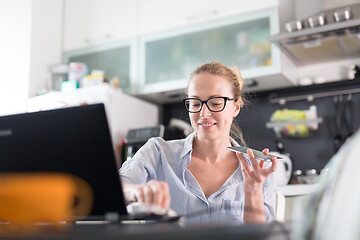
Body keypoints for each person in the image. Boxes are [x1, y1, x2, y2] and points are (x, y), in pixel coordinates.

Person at [119, 61, 278, 223]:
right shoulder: (157, 153)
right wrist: (135, 192)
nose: (204, 113)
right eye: (195, 103)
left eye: (215, 103)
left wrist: (253, 191)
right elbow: (113, 189)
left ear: (236, 107)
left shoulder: (259, 170)